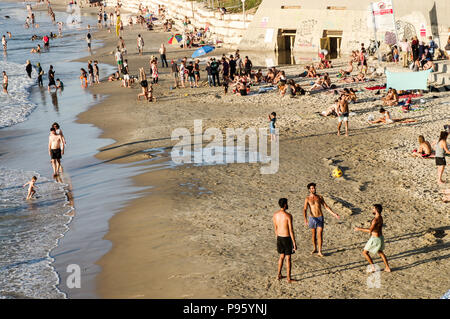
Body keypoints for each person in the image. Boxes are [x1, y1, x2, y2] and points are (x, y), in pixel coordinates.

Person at [303, 183, 340, 257]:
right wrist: (305, 219)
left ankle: (320, 251)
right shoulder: (307, 198)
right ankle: (315, 248)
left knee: (319, 235)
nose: (314, 189)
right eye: (312, 188)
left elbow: (326, 206)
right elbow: (305, 209)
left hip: (320, 217)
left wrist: (334, 214)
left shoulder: (319, 197)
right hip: (312, 218)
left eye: (314, 188)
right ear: (309, 190)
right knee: (313, 235)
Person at [354, 204, 391, 273]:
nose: (372, 210)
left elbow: (370, 230)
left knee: (365, 252)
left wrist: (359, 229)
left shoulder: (375, 220)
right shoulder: (381, 217)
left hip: (375, 239)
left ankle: (373, 267)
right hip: (380, 237)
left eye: (373, 209)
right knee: (380, 252)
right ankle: (387, 267)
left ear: (376, 210)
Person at [273, 198, 296, 283]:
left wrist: (277, 238)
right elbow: (291, 230)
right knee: (288, 258)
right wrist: (294, 242)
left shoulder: (275, 215)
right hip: (286, 238)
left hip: (279, 237)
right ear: (285, 205)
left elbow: (275, 228)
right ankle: (289, 278)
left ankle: (279, 274)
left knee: (281, 256)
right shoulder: (288, 216)